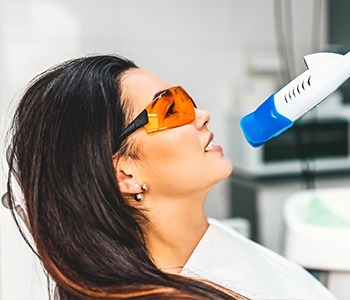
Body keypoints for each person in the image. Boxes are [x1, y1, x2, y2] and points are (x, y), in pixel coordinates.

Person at [5, 55, 337, 299]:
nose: (202, 115)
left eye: (186, 100)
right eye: (170, 108)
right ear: (124, 174)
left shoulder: (205, 240)